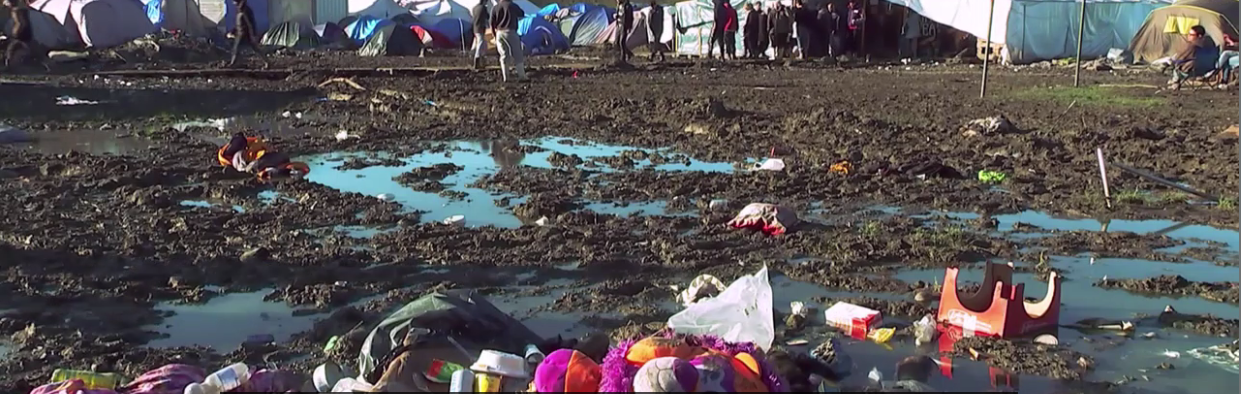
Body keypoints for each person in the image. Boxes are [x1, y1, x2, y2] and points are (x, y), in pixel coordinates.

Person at [217, 133, 309, 180]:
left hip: (258, 163)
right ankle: (287, 172)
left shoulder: (232, 156)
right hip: (258, 163)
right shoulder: (236, 156)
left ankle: (286, 172)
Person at [1168, 25, 1218, 90]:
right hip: (1209, 69)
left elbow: (1180, 58)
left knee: (1176, 66)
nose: (1188, 36)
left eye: (1191, 34)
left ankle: (1175, 83)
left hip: (1193, 71)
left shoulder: (1192, 46)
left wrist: (1173, 61)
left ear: (1199, 36)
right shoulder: (1210, 43)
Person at [491, 0, 528, 82]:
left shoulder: (495, 7)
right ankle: (522, 76)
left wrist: (494, 35)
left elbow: (492, 23)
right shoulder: (512, 5)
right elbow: (521, 13)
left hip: (499, 33)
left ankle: (506, 77)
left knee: (504, 55)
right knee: (517, 54)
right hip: (510, 31)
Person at [228, 0, 269, 68]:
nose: (233, 3)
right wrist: (233, 31)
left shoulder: (244, 11)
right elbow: (238, 24)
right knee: (238, 48)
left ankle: (233, 63)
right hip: (240, 33)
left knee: (237, 48)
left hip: (245, 33)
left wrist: (252, 35)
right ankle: (234, 63)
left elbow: (250, 24)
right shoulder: (239, 10)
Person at [3, 0, 33, 69]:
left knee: (12, 49)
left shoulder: (17, 10)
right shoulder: (21, 9)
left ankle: (10, 65)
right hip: (26, 35)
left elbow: (20, 23)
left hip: (21, 36)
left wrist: (14, 35)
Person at [470, 0, 489, 69]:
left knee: (478, 43)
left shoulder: (474, 8)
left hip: (475, 28)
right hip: (480, 28)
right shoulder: (483, 8)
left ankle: (473, 56)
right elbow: (487, 16)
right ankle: (477, 59)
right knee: (480, 43)